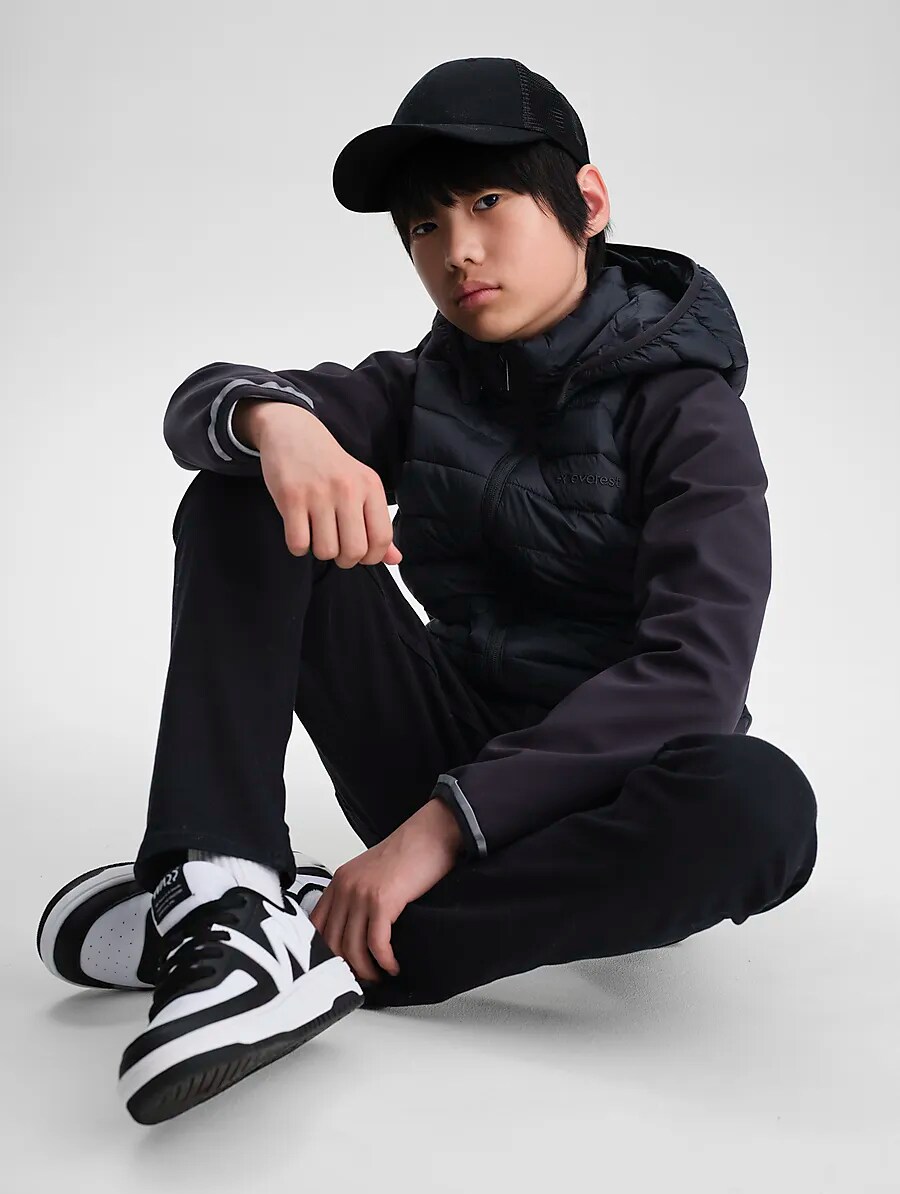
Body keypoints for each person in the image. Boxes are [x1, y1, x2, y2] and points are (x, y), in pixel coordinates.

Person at [35, 56, 818, 1125]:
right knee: (245, 491)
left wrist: (437, 833)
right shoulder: (425, 383)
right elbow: (202, 404)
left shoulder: (689, 412)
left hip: (601, 801)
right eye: (423, 226)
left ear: (587, 202)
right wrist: (277, 422)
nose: (457, 251)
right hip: (427, 746)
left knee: (762, 806)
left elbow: (695, 676)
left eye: (489, 203)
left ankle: (324, 943)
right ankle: (220, 891)